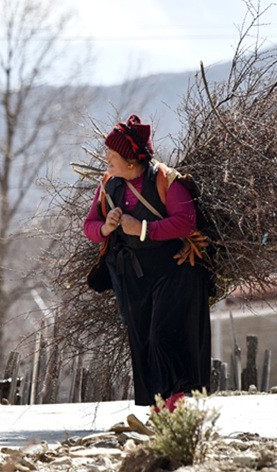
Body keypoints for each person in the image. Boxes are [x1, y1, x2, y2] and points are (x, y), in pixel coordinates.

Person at [83, 114, 211, 407]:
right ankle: (158, 406)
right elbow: (90, 226)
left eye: (112, 154)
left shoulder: (167, 180)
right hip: (133, 276)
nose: (107, 158)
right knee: (142, 341)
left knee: (163, 335)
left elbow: (186, 222)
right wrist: (106, 227)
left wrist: (142, 229)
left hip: (174, 270)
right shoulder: (108, 185)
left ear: (130, 161)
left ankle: (175, 405)